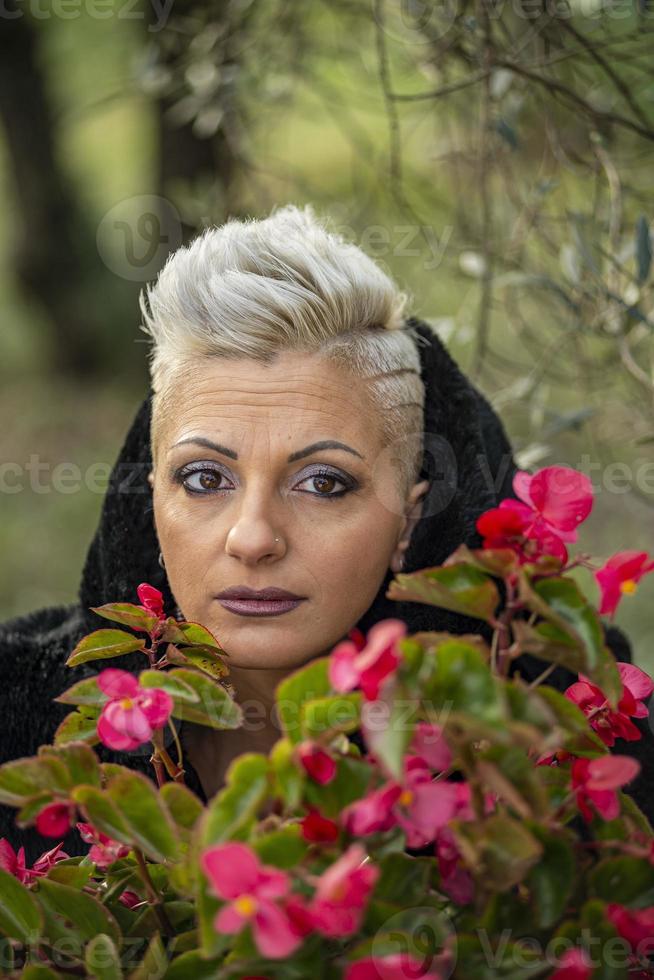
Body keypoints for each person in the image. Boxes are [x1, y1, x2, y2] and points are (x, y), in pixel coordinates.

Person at [1, 204, 651, 864]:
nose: (253, 538)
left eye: (324, 483)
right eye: (204, 478)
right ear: (152, 504)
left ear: (410, 518)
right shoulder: (17, 718)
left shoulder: (565, 738)